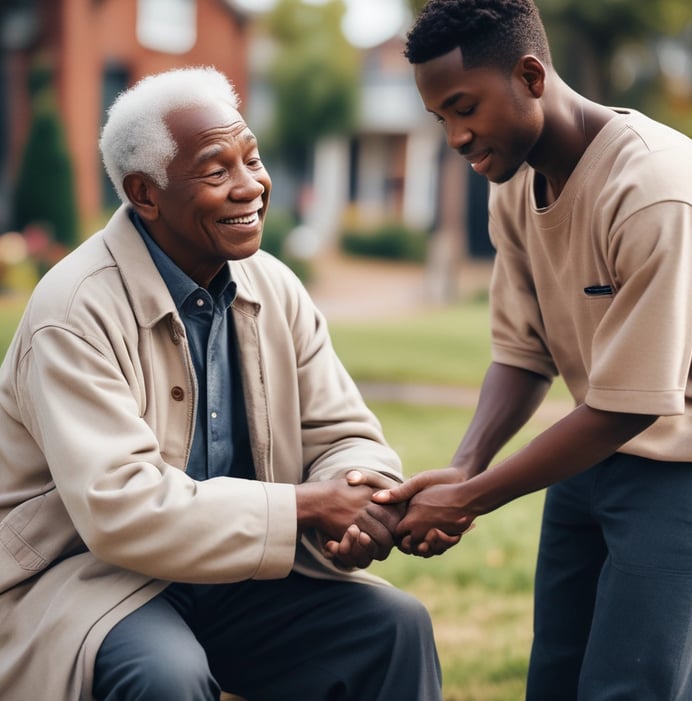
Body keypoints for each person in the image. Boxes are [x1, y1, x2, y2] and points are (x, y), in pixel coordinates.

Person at [0, 66, 442, 701]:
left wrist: (358, 498)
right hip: (94, 578)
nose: (252, 186)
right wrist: (309, 507)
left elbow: (343, 434)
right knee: (164, 674)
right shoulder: (73, 312)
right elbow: (121, 510)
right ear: (145, 194)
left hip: (242, 574)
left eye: (252, 158)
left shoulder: (275, 285)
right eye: (216, 170)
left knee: (396, 627)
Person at [372, 1, 692, 699]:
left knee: (636, 688)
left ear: (530, 75)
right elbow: (524, 353)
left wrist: (471, 498)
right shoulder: (514, 185)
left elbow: (631, 404)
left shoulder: (653, 190)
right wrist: (463, 465)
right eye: (442, 120)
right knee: (554, 679)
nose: (458, 137)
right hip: (591, 448)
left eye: (465, 108)